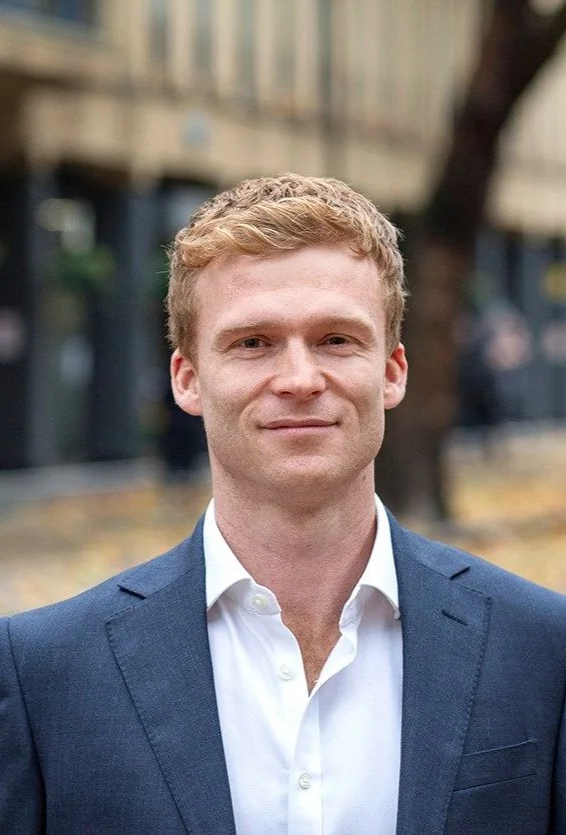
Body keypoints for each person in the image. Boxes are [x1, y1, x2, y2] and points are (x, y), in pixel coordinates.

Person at [1, 174, 565, 834]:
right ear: (187, 379)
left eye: (336, 340)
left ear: (392, 372)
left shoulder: (541, 648)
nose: (299, 380)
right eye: (253, 343)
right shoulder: (43, 671)